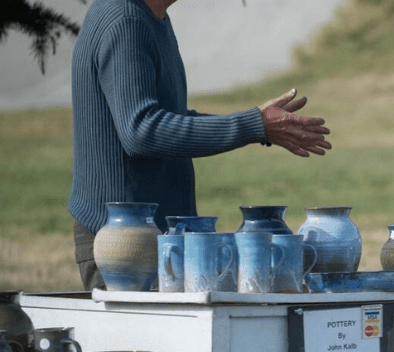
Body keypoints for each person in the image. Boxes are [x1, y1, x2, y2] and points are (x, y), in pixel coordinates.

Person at [69, 0, 331, 290]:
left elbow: (169, 117)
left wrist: (258, 125)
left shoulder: (150, 17)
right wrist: (252, 125)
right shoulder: (125, 20)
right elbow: (141, 130)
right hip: (124, 246)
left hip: (154, 240)